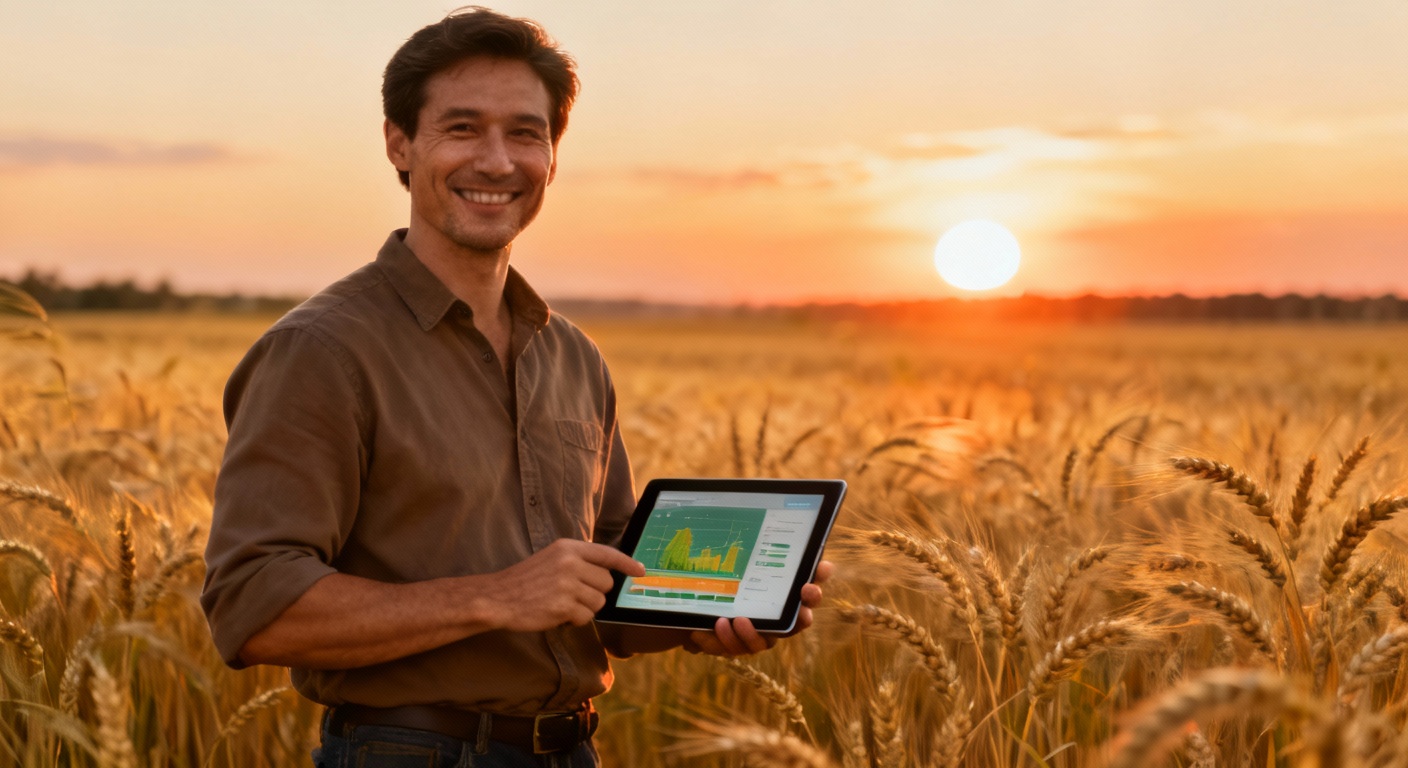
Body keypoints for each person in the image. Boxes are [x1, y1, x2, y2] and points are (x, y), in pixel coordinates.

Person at [199, 8, 831, 767]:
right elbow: (253, 605)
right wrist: (495, 596)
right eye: (462, 128)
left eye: (526, 133)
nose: (497, 162)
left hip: (571, 750)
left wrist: (706, 613)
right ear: (400, 144)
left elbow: (605, 591)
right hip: (408, 753)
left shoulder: (573, 356)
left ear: (552, 158)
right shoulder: (322, 351)